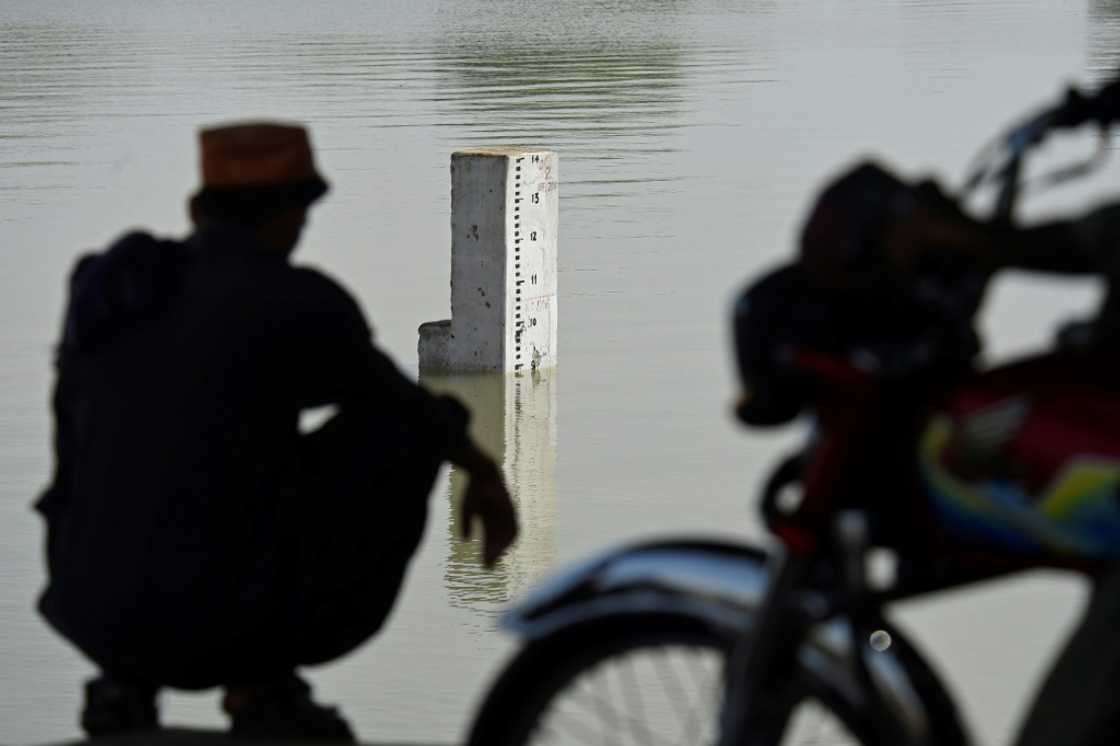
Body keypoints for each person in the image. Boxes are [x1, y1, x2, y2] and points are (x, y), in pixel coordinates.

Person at [36, 122, 518, 741]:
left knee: (140, 449)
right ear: (293, 219)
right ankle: (262, 685)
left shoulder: (111, 285)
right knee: (400, 430)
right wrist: (483, 470)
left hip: (88, 601)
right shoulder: (296, 302)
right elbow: (408, 411)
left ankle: (123, 686)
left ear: (194, 210)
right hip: (224, 621)